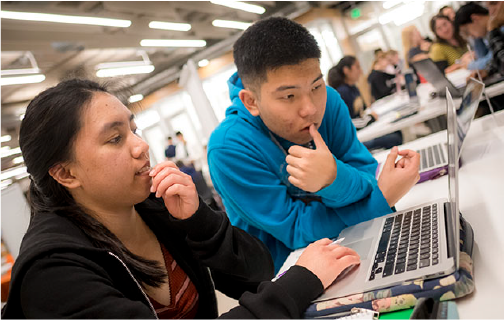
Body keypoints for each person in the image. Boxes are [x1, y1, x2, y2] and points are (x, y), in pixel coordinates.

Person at [1, 79, 362, 318]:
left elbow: (258, 273)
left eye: (134, 130)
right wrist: (300, 281)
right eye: (114, 139)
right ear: (66, 173)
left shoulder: (154, 205)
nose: (141, 145)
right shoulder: (52, 273)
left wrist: (199, 222)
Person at [207, 17, 420, 272]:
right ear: (251, 101)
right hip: (293, 271)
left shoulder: (329, 101)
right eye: (289, 96)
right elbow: (296, 229)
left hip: (359, 236)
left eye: (316, 85)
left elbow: (366, 173)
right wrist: (376, 198)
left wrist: (334, 178)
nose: (310, 109)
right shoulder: (229, 148)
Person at [327, 56, 403, 151]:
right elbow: (347, 122)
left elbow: (359, 113)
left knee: (395, 132)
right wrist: (370, 118)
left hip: (361, 130)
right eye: (357, 67)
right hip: (353, 139)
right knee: (394, 138)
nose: (361, 71)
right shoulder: (342, 92)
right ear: (346, 70)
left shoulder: (353, 88)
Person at [454, 2, 493, 73]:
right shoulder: (486, 33)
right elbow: (482, 56)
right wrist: (477, 37)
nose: (470, 36)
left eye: (467, 32)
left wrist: (469, 65)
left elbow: (493, 60)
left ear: (475, 19)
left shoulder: (498, 28)